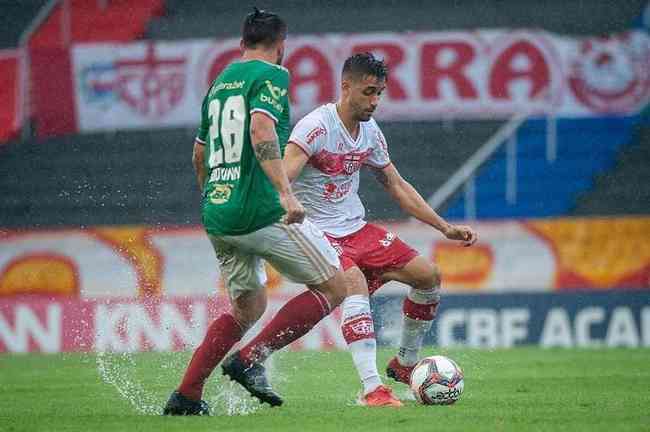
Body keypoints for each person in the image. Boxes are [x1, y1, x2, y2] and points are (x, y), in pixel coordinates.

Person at [163, 8, 348, 415]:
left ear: (240, 44)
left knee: (249, 307)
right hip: (259, 211)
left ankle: (187, 396)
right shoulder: (273, 75)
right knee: (336, 287)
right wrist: (286, 193)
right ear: (282, 46)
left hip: (219, 213)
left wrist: (214, 196)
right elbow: (261, 129)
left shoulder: (218, 83)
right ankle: (250, 359)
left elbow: (199, 153)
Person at [277, 52, 478, 406]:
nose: (375, 101)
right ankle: (373, 389)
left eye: (380, 93)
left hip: (355, 228)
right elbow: (281, 178)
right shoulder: (315, 127)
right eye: (369, 92)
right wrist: (284, 208)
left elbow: (397, 185)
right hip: (317, 232)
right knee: (352, 284)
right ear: (346, 87)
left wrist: (444, 227)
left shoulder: (370, 132)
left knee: (428, 275)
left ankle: (405, 362)